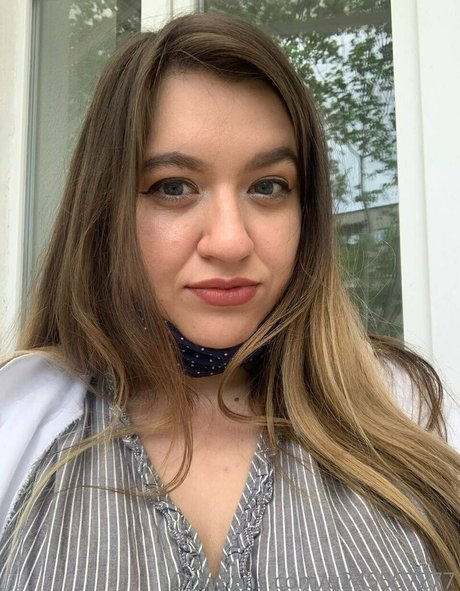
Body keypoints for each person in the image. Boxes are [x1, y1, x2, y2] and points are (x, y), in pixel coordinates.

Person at [0, 12, 459, 591]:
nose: (230, 242)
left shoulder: (407, 410)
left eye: (268, 187)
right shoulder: (18, 425)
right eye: (174, 187)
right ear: (106, 211)